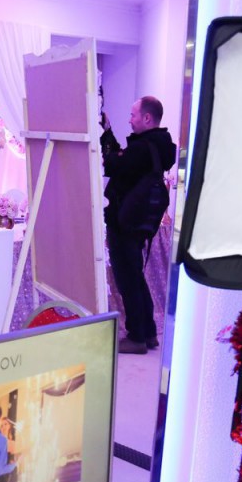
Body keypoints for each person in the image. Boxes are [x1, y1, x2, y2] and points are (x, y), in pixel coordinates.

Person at [101, 95, 177, 354]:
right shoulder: (157, 146)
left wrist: (107, 140)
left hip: (124, 221)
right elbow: (121, 161)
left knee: (128, 279)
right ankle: (148, 332)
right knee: (135, 275)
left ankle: (136, 336)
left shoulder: (143, 148)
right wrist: (108, 132)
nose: (129, 120)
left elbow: (112, 164)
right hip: (137, 221)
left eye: (133, 115)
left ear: (147, 118)